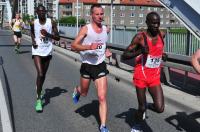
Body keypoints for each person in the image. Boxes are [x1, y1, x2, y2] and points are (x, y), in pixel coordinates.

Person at [122, 12, 166, 132]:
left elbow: (157, 50)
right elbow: (124, 56)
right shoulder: (140, 37)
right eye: (153, 23)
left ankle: (147, 106)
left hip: (154, 77)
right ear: (147, 23)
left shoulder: (162, 34)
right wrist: (140, 51)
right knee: (141, 108)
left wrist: (162, 54)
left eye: (158, 23)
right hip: (141, 76)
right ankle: (136, 125)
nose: (156, 26)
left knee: (160, 108)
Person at [71, 4, 112, 132]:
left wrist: (106, 51)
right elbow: (73, 46)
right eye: (97, 14)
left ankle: (103, 126)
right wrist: (89, 47)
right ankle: (77, 90)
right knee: (84, 93)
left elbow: (102, 44)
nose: (100, 16)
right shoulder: (86, 29)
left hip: (100, 65)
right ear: (92, 15)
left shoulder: (106, 29)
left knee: (102, 97)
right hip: (87, 65)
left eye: (101, 14)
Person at [30, 5, 60, 112]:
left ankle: (39, 87)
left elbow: (57, 37)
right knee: (40, 73)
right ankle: (38, 99)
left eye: (43, 11)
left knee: (43, 76)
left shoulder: (51, 22)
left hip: (47, 50)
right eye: (40, 11)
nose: (42, 13)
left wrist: (48, 34)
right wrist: (33, 41)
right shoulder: (33, 22)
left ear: (46, 12)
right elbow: (32, 32)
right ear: (37, 12)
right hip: (37, 50)